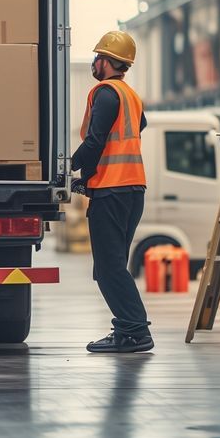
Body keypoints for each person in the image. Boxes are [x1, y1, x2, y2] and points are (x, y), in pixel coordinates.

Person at [73, 31, 153, 353]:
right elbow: (140, 126)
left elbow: (95, 141)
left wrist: (70, 168)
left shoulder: (105, 93)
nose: (94, 62)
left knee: (108, 268)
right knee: (113, 265)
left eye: (97, 57)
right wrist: (89, 176)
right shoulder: (130, 96)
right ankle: (128, 329)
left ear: (107, 61)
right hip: (133, 189)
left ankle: (133, 331)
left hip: (113, 190)